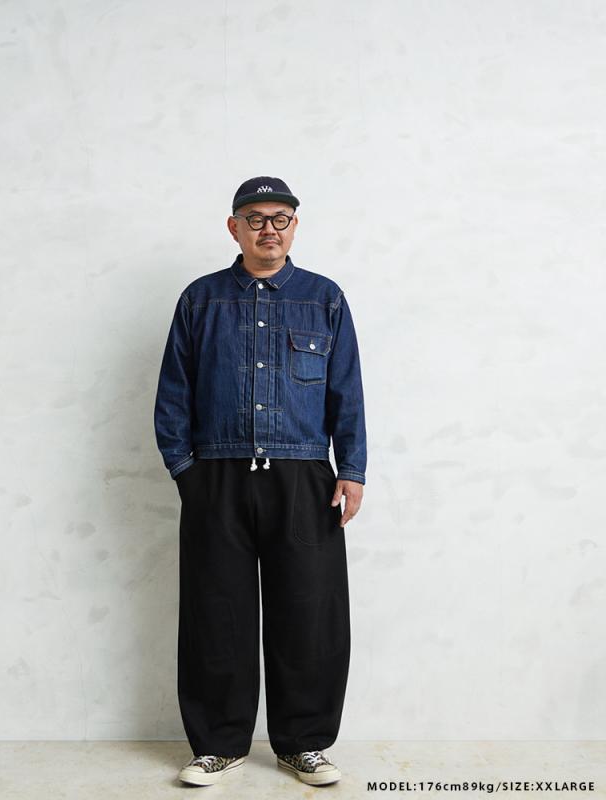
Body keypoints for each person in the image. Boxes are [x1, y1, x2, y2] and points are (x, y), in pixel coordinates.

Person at [153, 176, 367, 787]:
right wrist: (187, 472)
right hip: (216, 475)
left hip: (305, 477)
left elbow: (346, 391)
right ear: (234, 227)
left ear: (294, 226)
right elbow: (173, 394)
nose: (268, 229)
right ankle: (218, 745)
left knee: (310, 612)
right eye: (255, 218)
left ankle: (304, 745)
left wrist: (351, 470)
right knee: (215, 611)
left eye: (280, 218)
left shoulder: (324, 298)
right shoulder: (201, 300)